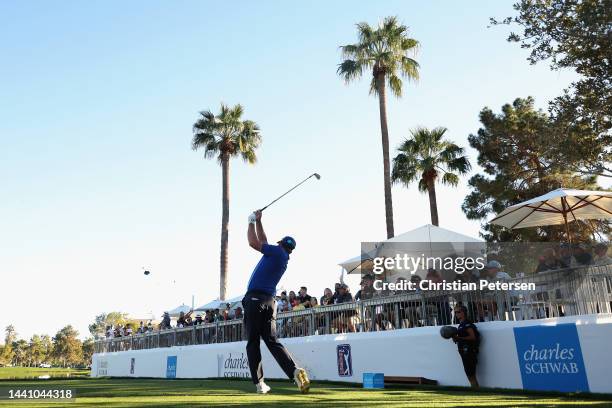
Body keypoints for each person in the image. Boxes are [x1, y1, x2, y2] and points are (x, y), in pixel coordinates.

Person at [243, 210, 310, 394]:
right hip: (269, 302)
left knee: (253, 343)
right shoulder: (281, 256)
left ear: (280, 244)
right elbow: (264, 242)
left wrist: (250, 222)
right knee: (272, 341)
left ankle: (260, 384)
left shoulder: (276, 252)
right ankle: (294, 371)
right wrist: (259, 222)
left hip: (255, 299)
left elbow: (253, 243)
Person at [452, 304, 480, 388]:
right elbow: (461, 338)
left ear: (463, 313)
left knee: (471, 375)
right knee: (469, 374)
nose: (456, 314)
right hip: (464, 352)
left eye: (458, 312)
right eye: (455, 312)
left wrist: (458, 338)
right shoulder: (461, 325)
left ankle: (476, 391)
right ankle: (475, 390)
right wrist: (456, 339)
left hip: (469, 351)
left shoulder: (467, 323)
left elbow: (473, 337)